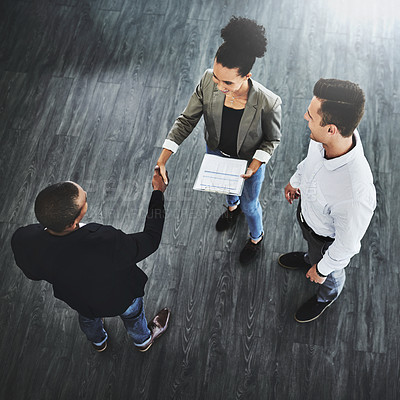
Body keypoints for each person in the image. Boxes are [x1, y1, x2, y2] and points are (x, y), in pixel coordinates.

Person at [156, 16, 282, 265]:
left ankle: (256, 237)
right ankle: (230, 209)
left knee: (250, 204)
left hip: (249, 164)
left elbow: (272, 139)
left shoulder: (269, 102)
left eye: (227, 82)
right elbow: (186, 121)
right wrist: (163, 158)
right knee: (226, 191)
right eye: (216, 77)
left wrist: (255, 165)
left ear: (247, 76)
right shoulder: (207, 80)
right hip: (215, 152)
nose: (219, 85)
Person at [11, 167, 171, 352]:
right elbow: (151, 239)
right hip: (121, 297)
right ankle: (143, 340)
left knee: (88, 318)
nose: (85, 194)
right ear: (73, 222)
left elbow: (32, 273)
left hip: (79, 299)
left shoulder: (23, 239)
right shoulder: (105, 241)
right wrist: (158, 193)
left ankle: (98, 341)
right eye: (84, 199)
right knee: (133, 315)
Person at [279, 78, 376, 323]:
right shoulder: (328, 137)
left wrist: (322, 270)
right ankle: (308, 259)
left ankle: (326, 295)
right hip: (309, 219)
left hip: (326, 242)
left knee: (330, 272)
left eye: (310, 116)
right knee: (312, 252)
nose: (304, 117)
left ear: (331, 128)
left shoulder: (355, 194)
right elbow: (309, 162)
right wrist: (296, 180)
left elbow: (346, 246)